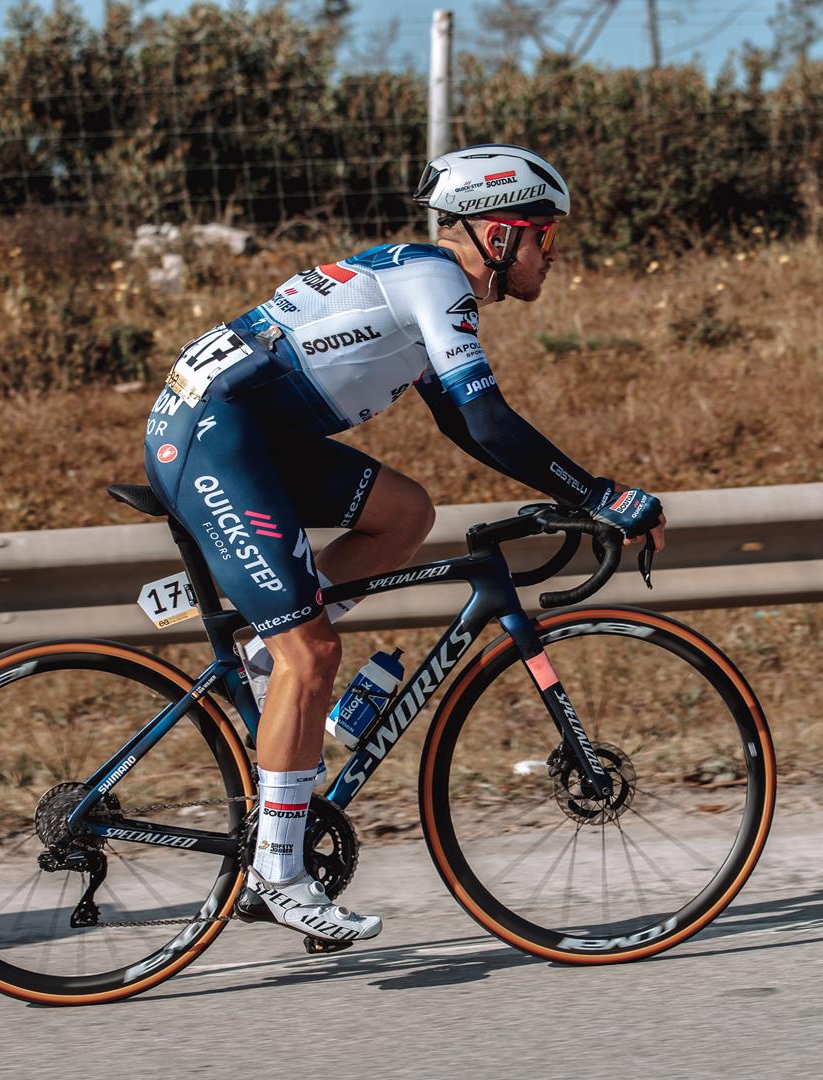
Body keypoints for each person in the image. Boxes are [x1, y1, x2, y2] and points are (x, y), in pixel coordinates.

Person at [141, 144, 667, 942]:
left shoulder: (419, 280)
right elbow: (486, 418)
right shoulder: (437, 283)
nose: (552, 254)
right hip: (215, 435)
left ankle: (263, 657)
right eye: (545, 235)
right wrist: (600, 495)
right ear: (499, 234)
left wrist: (579, 491)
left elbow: (461, 420)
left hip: (248, 433)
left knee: (405, 513)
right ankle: (277, 873)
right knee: (311, 655)